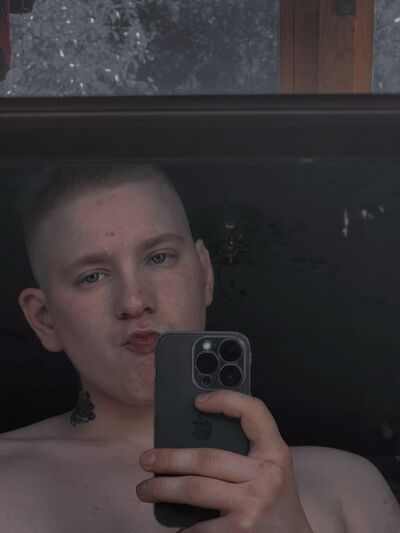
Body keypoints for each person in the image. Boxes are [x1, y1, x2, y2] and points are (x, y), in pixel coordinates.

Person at [0, 164, 399, 533]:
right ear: (44, 318)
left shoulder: (346, 487)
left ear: (205, 274)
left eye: (159, 257)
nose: (134, 301)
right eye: (92, 276)